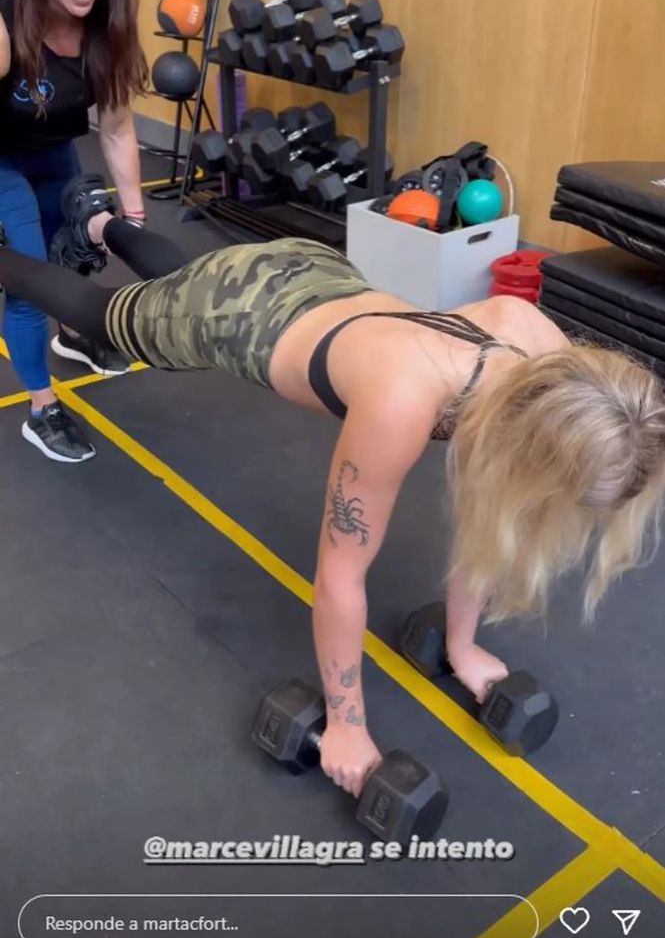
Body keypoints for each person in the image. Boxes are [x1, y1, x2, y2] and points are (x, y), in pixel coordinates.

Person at [1, 182, 664, 797]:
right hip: (238, 316)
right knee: (102, 313)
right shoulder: (402, 403)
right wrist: (345, 723)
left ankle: (98, 221)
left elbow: (491, 519)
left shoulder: (542, 351)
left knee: (189, 278)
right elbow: (340, 577)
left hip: (313, 274)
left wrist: (461, 648)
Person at [0, 0, 149, 461]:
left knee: (73, 257)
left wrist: (131, 219)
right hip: (2, 162)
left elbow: (116, 126)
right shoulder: (5, 27)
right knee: (31, 284)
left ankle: (73, 335)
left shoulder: (107, 22)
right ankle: (43, 409)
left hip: (55, 153)